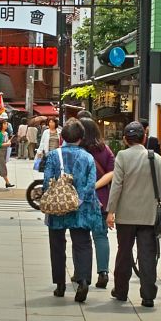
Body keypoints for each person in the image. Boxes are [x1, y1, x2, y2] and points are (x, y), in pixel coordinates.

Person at [107, 120, 161, 306]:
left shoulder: (122, 157)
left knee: (124, 252)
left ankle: (121, 290)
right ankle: (147, 295)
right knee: (147, 254)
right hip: (149, 215)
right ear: (144, 138)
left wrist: (111, 211)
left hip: (126, 215)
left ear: (125, 139)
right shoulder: (159, 160)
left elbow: (116, 186)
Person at [42, 119, 103, 302]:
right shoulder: (87, 157)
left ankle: (60, 285)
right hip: (81, 208)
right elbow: (91, 184)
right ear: (81, 138)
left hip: (58, 208)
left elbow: (46, 182)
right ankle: (83, 281)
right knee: (82, 243)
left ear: (62, 137)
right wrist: (80, 199)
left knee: (57, 245)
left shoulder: (53, 156)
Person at [80, 117, 115, 290]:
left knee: (82, 239)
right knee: (100, 236)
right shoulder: (105, 149)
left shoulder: (77, 151)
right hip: (101, 198)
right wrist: (96, 186)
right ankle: (103, 272)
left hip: (81, 200)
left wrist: (88, 187)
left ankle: (82, 274)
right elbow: (112, 172)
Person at [0, 117, 15, 189]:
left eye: (6, 124)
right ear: (0, 125)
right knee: (3, 167)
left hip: (4, 152)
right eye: (4, 124)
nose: (6, 125)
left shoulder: (6, 133)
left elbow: (6, 142)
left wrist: (8, 143)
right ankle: (7, 183)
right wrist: (6, 144)